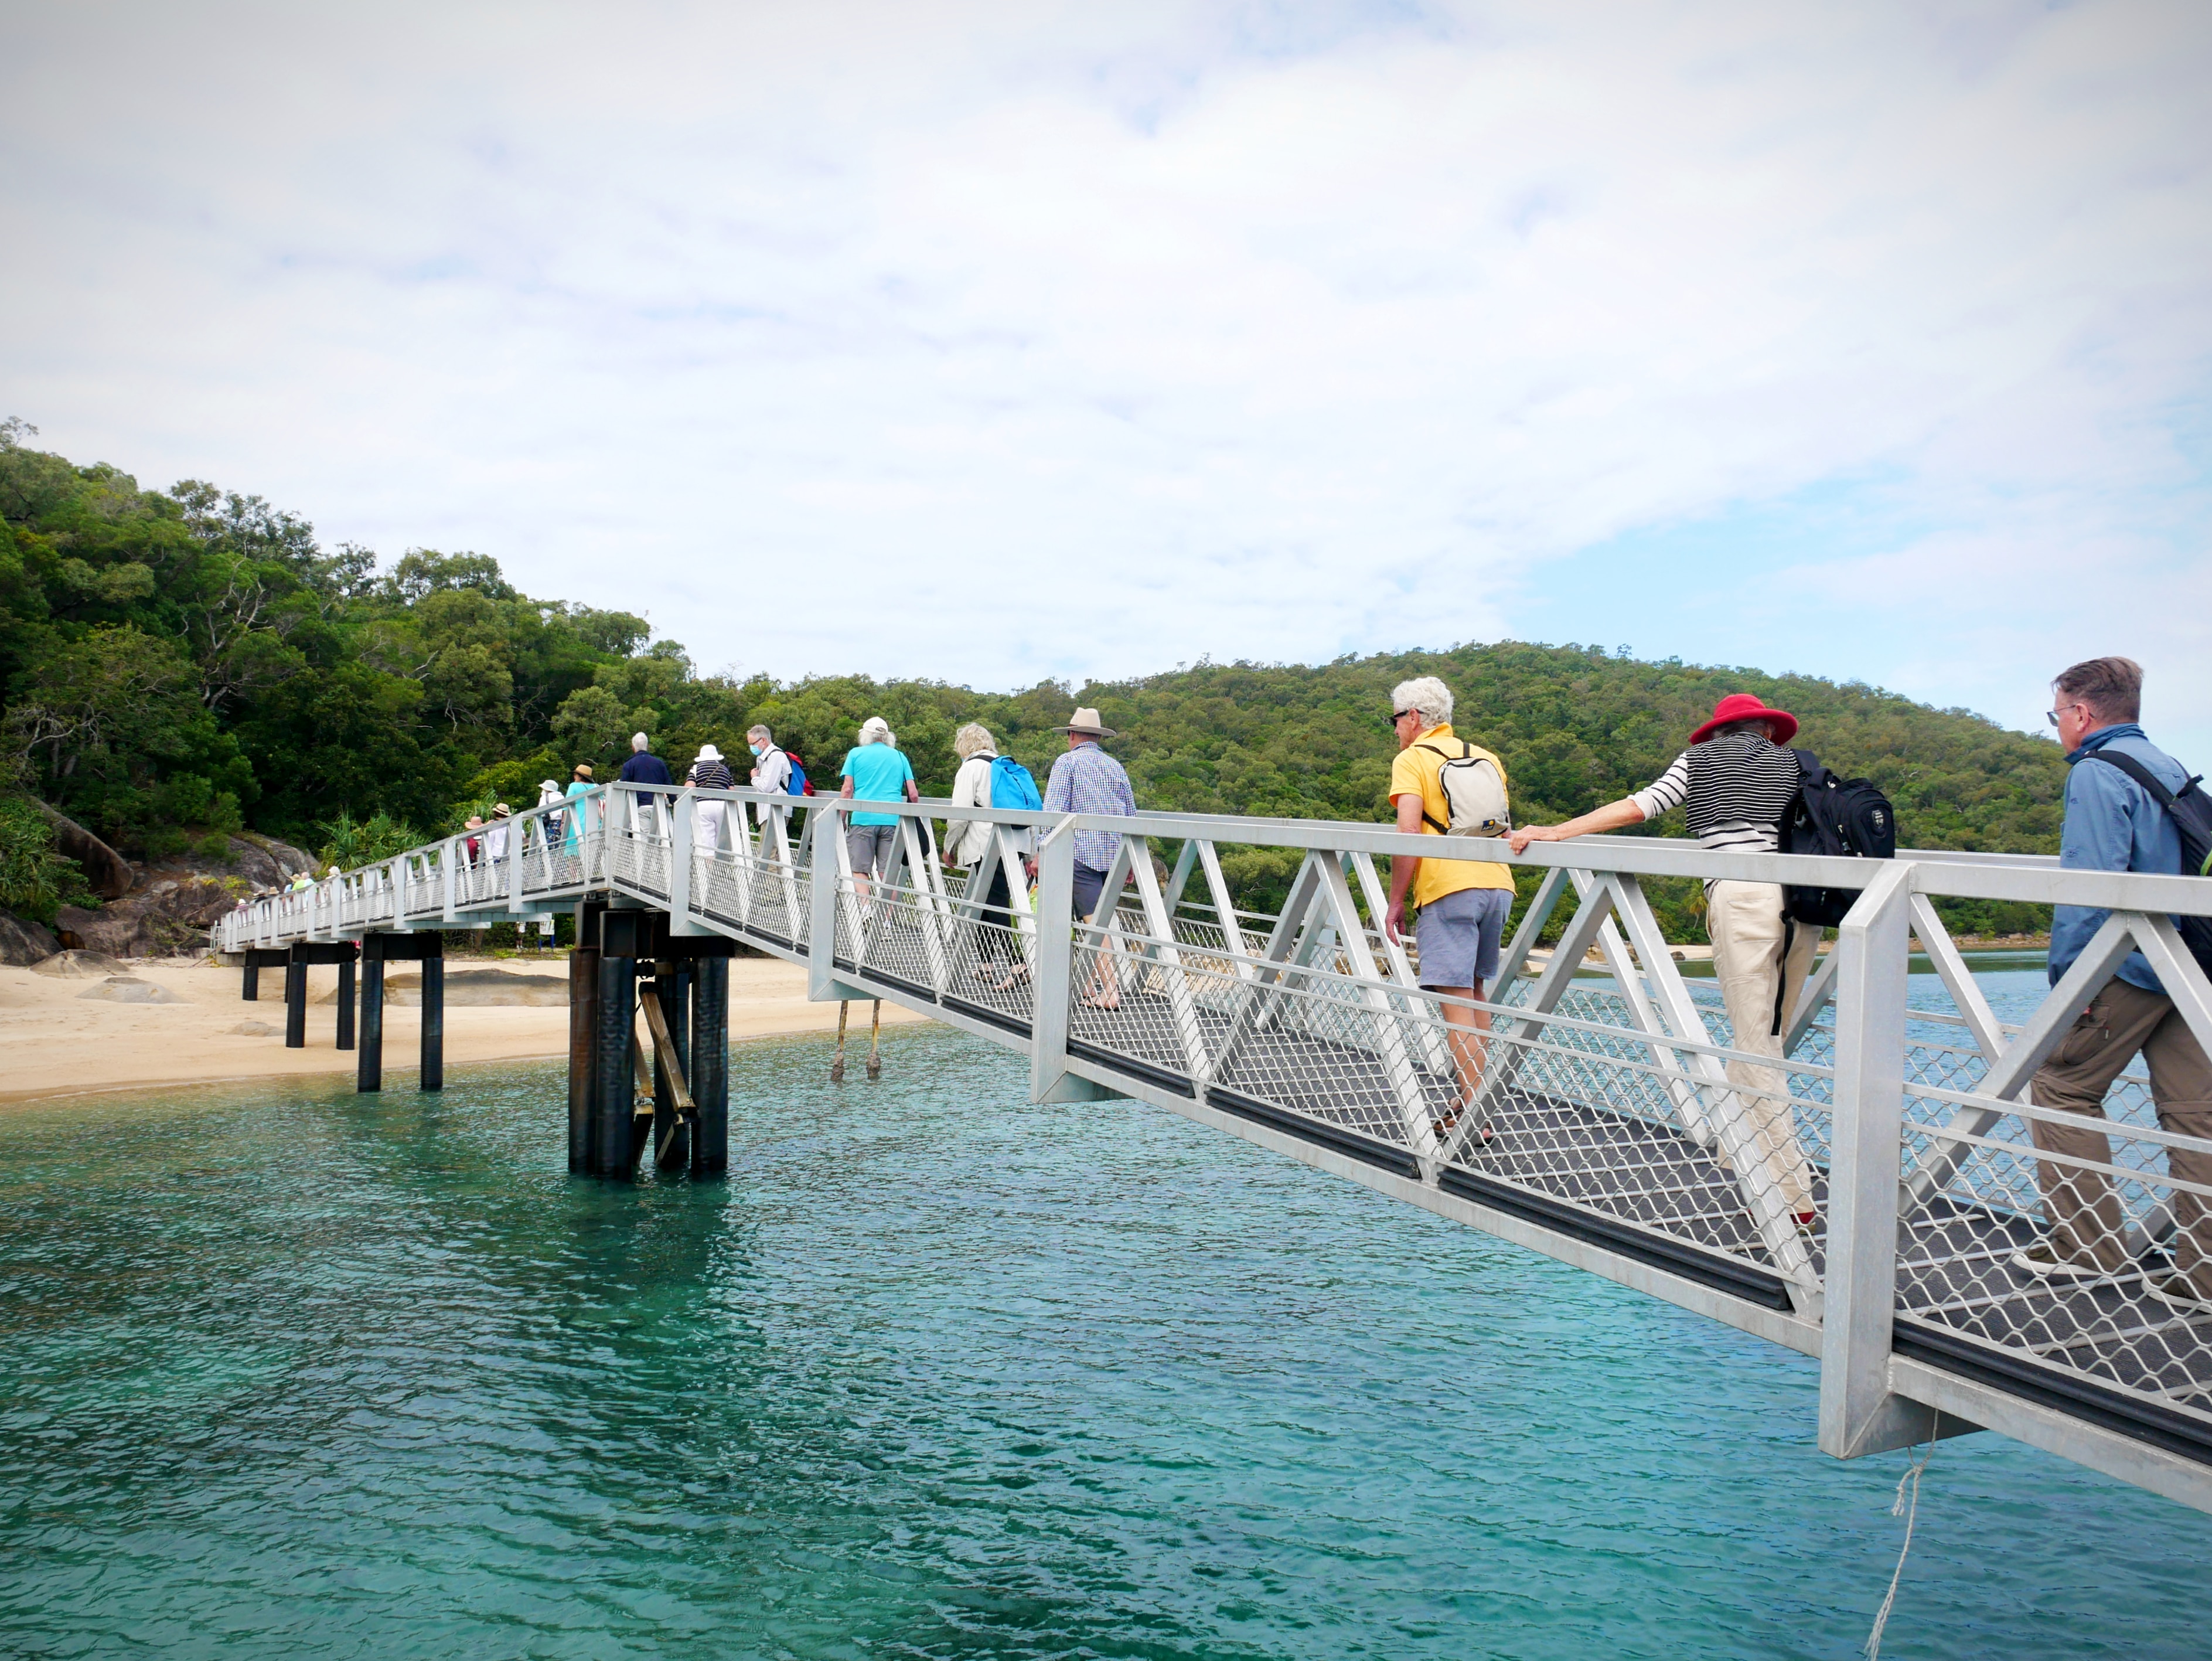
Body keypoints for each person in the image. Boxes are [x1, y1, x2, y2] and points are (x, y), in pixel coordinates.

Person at [1510, 690, 1817, 1226]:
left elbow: (1639, 806)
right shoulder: (1794, 763)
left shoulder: (1699, 759)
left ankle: (1792, 1196)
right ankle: (1736, 1149)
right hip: (1803, 901)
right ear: (1767, 728)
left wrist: (1554, 832)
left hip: (1742, 898)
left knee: (1756, 1041)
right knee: (1769, 1034)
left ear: (1717, 729)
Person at [2012, 656, 2212, 1305]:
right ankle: (2201, 1275)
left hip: (2126, 965)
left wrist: (2071, 981)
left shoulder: (2096, 774)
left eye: (2056, 715)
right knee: (2195, 1114)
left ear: (2081, 714)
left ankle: (2086, 1246)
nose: (2057, 728)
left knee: (2061, 1084)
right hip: (2185, 964)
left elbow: (2089, 888)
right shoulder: (2170, 767)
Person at [1379, 676, 1517, 1132]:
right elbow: (1500, 826)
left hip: (1447, 888)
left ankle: (1475, 1112)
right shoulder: (1487, 757)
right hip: (1497, 885)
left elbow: (1409, 834)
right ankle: (1472, 1103)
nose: (1395, 729)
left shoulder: (1412, 759)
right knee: (1476, 998)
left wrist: (1396, 900)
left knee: (1456, 1007)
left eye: (1396, 719)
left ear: (1414, 718)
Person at [1041, 706, 1137, 1008]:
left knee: (1093, 921)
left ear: (1071, 735)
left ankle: (1110, 990)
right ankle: (1089, 983)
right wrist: (1131, 859)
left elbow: (1054, 813)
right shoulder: (1115, 766)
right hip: (1114, 854)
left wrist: (1041, 853)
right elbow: (1131, 815)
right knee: (1098, 920)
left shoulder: (1066, 763)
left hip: (1080, 852)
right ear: (1097, 737)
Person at [945, 723, 1036, 983]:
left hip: (987, 844)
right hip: (1013, 840)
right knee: (985, 900)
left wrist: (949, 846)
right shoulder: (1006, 765)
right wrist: (1030, 852)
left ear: (964, 745)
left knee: (996, 903)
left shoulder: (971, 768)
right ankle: (986, 964)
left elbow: (959, 815)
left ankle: (1018, 966)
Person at [839, 716, 918, 902]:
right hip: (892, 821)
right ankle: (886, 920)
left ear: (866, 735)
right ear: (887, 736)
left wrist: (842, 818)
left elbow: (847, 789)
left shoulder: (855, 754)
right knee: (887, 873)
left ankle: (866, 911)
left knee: (860, 870)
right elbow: (913, 794)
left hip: (863, 819)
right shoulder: (899, 756)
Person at [618, 731, 674, 829]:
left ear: (633, 747)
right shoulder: (659, 764)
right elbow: (668, 785)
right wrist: (675, 803)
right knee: (658, 841)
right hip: (658, 806)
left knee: (643, 840)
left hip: (641, 806)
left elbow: (624, 788)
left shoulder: (629, 765)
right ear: (647, 746)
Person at [688, 743, 735, 855]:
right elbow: (732, 791)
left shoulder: (696, 768)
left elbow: (689, 788)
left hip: (703, 805)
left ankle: (708, 869)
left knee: (706, 842)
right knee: (721, 841)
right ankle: (721, 869)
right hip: (722, 805)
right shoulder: (724, 770)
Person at [564, 763, 595, 856]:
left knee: (573, 855)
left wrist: (563, 823)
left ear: (580, 776)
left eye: (576, 775)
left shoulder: (574, 786)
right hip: (595, 825)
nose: (574, 777)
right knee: (591, 854)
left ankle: (573, 871)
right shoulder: (597, 786)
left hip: (576, 824)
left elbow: (567, 806)